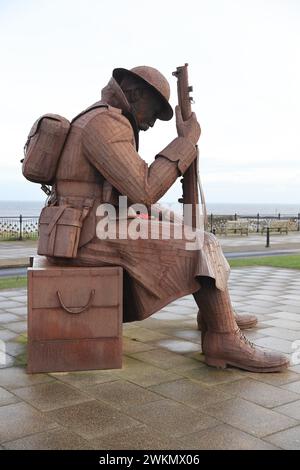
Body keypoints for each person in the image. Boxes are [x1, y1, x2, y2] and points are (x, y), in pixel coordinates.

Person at [48, 65, 289, 372]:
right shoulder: (105, 123)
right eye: (154, 111)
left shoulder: (102, 118)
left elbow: (128, 194)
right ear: (135, 94)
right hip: (86, 237)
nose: (151, 123)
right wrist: (185, 143)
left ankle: (215, 313)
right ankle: (223, 338)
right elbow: (144, 189)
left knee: (177, 222)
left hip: (88, 225)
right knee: (201, 242)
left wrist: (152, 211)